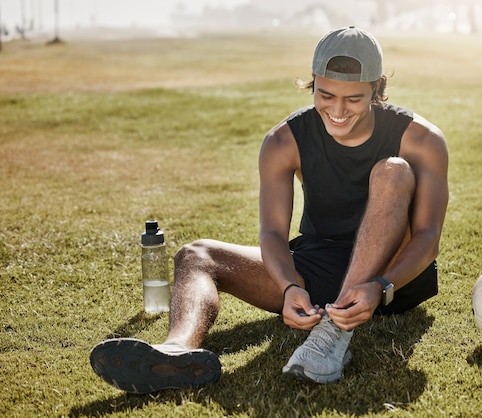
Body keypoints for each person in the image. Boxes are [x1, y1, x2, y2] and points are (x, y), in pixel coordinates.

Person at [90, 26, 449, 393]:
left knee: (393, 171)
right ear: (312, 83)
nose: (338, 110)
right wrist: (289, 285)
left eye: (353, 99)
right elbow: (273, 233)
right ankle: (176, 350)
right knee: (196, 254)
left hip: (393, 279)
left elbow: (427, 237)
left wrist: (380, 286)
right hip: (318, 269)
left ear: (377, 88)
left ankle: (332, 334)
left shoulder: (421, 139)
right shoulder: (284, 140)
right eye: (325, 95)